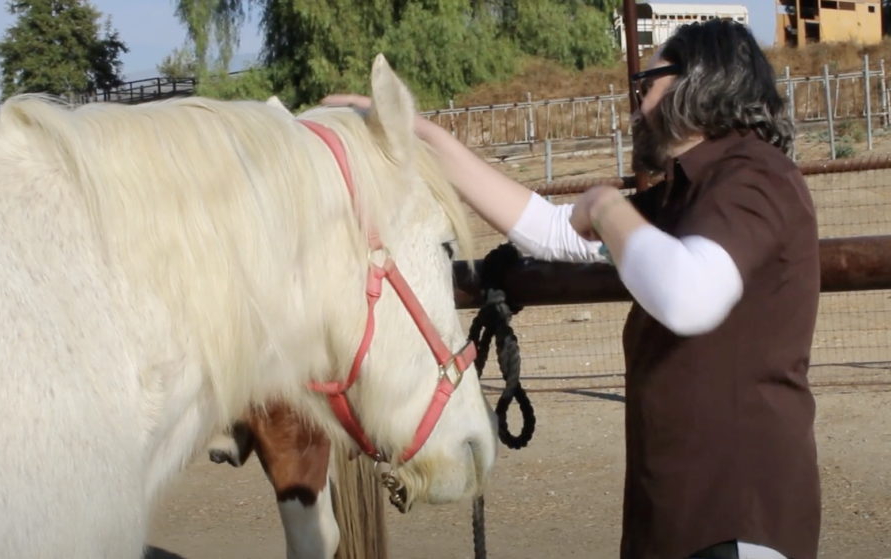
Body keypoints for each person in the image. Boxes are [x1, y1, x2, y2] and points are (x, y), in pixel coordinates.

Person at [323, 19, 821, 559]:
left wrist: (606, 207)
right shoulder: (689, 196)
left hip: (736, 521)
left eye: (645, 85)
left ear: (695, 81)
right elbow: (553, 231)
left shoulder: (753, 177)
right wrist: (418, 134)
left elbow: (687, 295)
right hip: (687, 519)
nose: (635, 107)